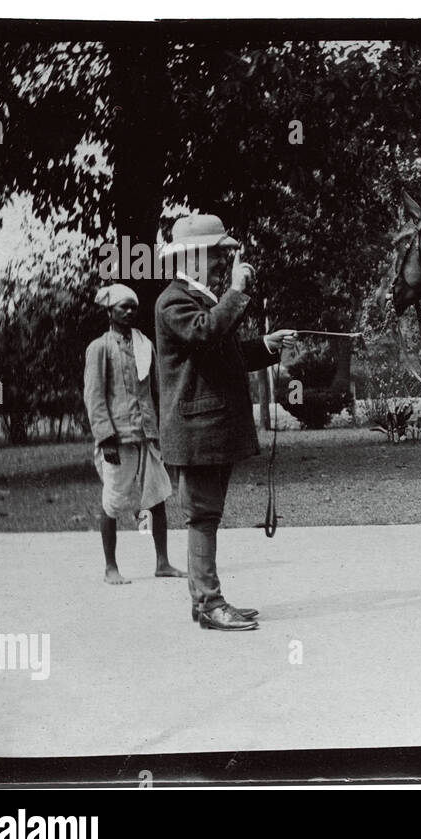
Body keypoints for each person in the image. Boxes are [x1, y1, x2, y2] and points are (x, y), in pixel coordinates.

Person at [155, 214, 297, 631]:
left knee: (206, 514)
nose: (225, 263)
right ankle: (210, 603)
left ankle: (205, 602)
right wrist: (236, 291)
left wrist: (267, 347)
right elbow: (206, 334)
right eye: (219, 255)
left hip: (208, 428)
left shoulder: (199, 301)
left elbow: (221, 349)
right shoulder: (174, 301)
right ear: (194, 256)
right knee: (201, 515)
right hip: (196, 430)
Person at [83, 283, 186, 585]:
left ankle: (163, 563)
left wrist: (162, 431)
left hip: (147, 435)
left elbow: (156, 392)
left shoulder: (145, 345)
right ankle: (110, 568)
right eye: (122, 307)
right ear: (109, 311)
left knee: (156, 498)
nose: (129, 312)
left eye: (133, 307)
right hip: (118, 439)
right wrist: (105, 439)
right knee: (113, 501)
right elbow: (94, 396)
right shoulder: (100, 348)